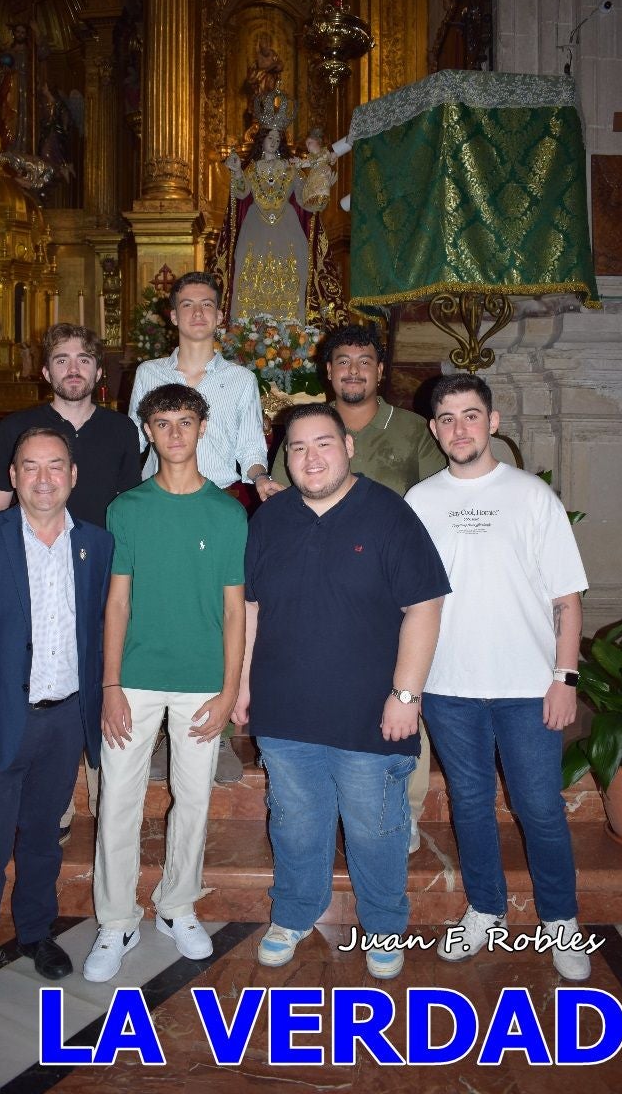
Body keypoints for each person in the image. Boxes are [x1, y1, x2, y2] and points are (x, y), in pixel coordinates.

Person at [234, 405, 449, 979]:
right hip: (285, 708)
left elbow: (424, 606)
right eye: (299, 448)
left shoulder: (388, 514)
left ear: (348, 447)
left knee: (376, 826)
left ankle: (382, 925)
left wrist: (406, 695)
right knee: (295, 820)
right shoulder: (271, 518)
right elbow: (252, 607)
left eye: (323, 444)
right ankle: (295, 914)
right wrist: (243, 683)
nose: (311, 458)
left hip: (370, 713)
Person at [404, 374, 591, 982]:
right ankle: (485, 909)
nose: (460, 428)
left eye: (471, 415)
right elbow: (409, 600)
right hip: (448, 686)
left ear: (494, 420)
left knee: (540, 807)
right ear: (434, 429)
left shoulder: (532, 496)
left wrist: (564, 676)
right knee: (471, 804)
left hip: (527, 687)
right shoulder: (421, 502)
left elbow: (566, 596)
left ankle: (561, 919)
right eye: (448, 418)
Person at [0, 428, 113, 1027]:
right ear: (12, 477)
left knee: (42, 839)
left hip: (63, 721)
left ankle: (36, 933)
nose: (43, 479)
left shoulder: (96, 545)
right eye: (30, 467)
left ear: (73, 476)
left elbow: (103, 633)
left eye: (55, 467)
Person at [83, 384, 247, 980]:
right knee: (119, 800)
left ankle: (177, 905)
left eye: (185, 421)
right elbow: (117, 603)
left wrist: (229, 692)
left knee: (194, 799)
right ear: (147, 431)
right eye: (162, 423)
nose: (174, 433)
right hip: (135, 679)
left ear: (203, 428)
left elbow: (235, 611)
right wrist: (110, 684)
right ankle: (117, 918)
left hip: (203, 682)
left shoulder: (228, 512)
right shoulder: (127, 508)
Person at [271, 324, 446, 851]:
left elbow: (439, 501)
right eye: (342, 361)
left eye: (363, 361)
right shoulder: (304, 430)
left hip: (396, 591)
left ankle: (405, 809)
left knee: (403, 698)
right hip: (323, 592)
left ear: (380, 371)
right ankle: (329, 812)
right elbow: (284, 501)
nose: (352, 370)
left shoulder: (413, 430)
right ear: (328, 371)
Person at [0, 323, 141, 842]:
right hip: (33, 578)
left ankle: (101, 798)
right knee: (41, 685)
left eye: (83, 359)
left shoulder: (121, 431)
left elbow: (128, 512)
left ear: (98, 371)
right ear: (45, 369)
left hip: (97, 579)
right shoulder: (20, 426)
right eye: (61, 359)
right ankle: (50, 806)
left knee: (96, 685)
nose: (72, 368)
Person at [128, 271, 276, 783]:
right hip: (160, 505)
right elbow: (136, 440)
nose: (196, 313)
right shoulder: (148, 373)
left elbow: (250, 448)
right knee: (155, 608)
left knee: (224, 613)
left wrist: (260, 480)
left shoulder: (239, 380)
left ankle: (222, 729)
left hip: (217, 504)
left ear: (219, 317)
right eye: (186, 304)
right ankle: (156, 733)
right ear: (172, 316)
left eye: (206, 305)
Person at [211, 92, 344, 325]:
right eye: (269, 136)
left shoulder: (291, 169)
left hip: (288, 228)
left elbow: (305, 199)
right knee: (246, 266)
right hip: (255, 227)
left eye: (276, 137)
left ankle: (290, 332)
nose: (273, 141)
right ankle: (247, 332)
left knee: (293, 271)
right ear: (261, 139)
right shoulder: (251, 168)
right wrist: (235, 171)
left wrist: (322, 184)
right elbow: (241, 193)